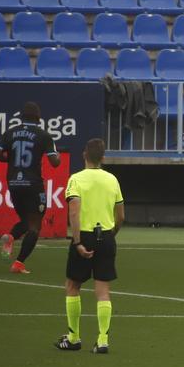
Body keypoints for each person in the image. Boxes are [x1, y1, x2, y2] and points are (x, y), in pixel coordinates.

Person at [57, 138, 124, 354]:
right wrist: (110, 234)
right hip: (105, 236)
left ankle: (74, 337)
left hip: (83, 236)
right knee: (103, 291)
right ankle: (103, 340)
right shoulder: (112, 180)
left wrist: (77, 242)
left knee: (72, 286)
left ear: (84, 154)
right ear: (103, 158)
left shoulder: (75, 179)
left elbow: (74, 211)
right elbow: (121, 215)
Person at [0, 101, 60, 275]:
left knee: (26, 220)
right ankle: (19, 263)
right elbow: (55, 163)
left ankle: (11, 236)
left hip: (14, 183)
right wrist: (56, 155)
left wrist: (11, 160)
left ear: (21, 117)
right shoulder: (43, 135)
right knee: (35, 226)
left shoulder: (10, 132)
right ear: (38, 118)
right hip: (33, 184)